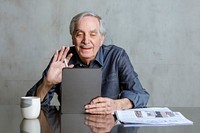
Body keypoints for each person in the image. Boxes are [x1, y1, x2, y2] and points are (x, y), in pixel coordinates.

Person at [26, 11, 150, 114]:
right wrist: (47, 83)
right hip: (70, 126)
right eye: (80, 34)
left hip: (108, 127)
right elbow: (31, 106)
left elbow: (141, 95)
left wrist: (117, 104)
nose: (86, 40)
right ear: (73, 38)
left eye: (92, 34)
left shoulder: (117, 56)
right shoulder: (62, 59)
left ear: (102, 39)